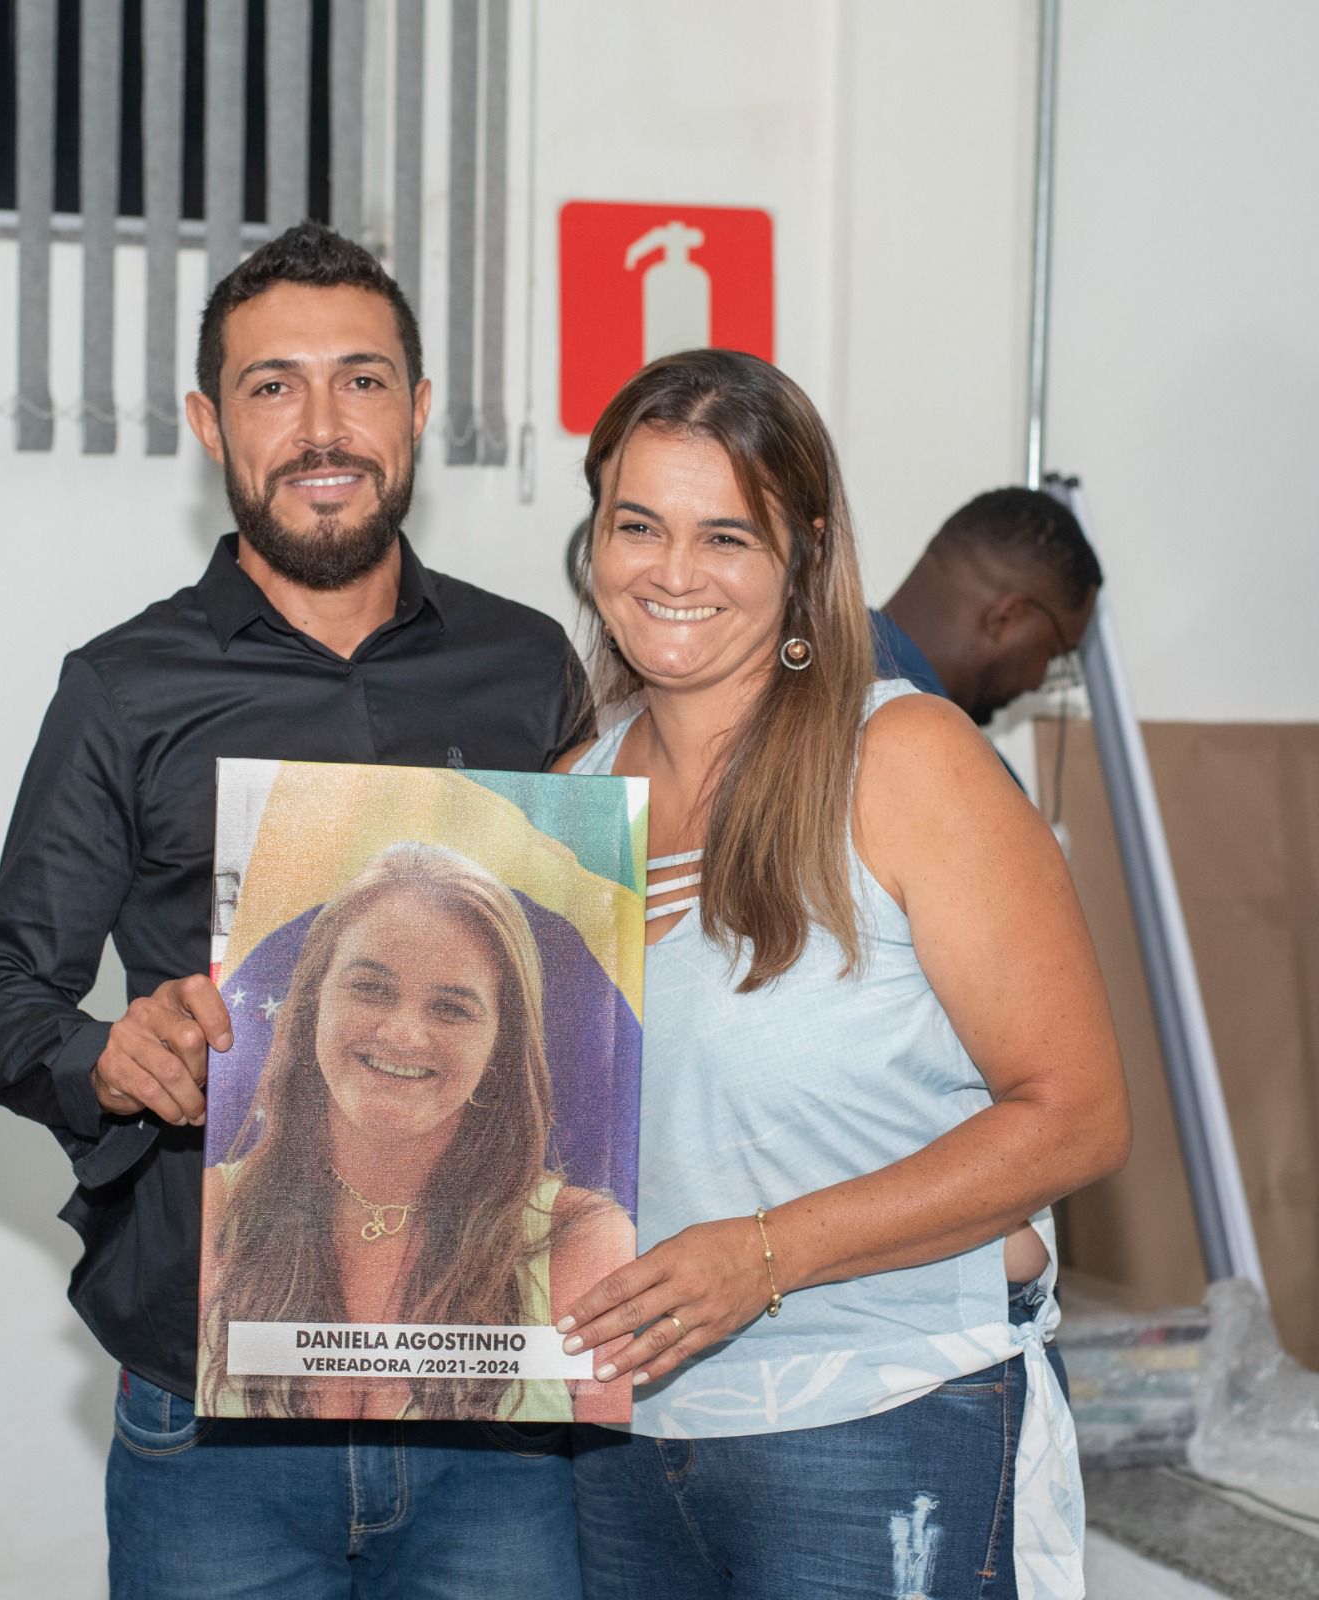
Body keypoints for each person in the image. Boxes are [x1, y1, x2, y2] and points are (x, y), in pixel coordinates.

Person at [0, 222, 590, 1600]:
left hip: (494, 1416)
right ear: (209, 423)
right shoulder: (124, 688)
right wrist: (106, 1056)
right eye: (273, 385)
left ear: (418, 409)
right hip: (213, 1421)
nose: (322, 427)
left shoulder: (530, 665)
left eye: (362, 380)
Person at [554, 349, 1131, 1598]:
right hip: (624, 1447)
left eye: (727, 536)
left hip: (884, 1421)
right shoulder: (569, 797)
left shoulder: (905, 758)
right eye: (638, 524)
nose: (673, 571)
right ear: (594, 536)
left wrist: (767, 1252)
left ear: (803, 557)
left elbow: (1078, 1116)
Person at [199, 841, 633, 1424]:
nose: (403, 1034)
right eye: (370, 987)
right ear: (312, 1005)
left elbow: (606, 1464)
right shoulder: (211, 1213)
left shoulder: (583, 1241)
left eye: (451, 1008)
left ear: (500, 1049)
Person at [871, 486, 1102, 724]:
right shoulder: (928, 733)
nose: (1037, 683)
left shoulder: (846, 666)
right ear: (1006, 617)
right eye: (1052, 654)